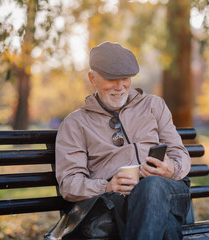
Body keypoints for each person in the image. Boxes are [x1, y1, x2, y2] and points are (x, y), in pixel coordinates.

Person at [45, 42, 191, 240]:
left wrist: (171, 169)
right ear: (92, 78)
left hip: (169, 192)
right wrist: (107, 187)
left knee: (151, 187)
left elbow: (180, 154)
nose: (120, 86)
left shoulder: (154, 106)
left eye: (125, 77)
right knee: (165, 224)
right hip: (117, 206)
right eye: (111, 78)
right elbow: (70, 184)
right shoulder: (75, 124)